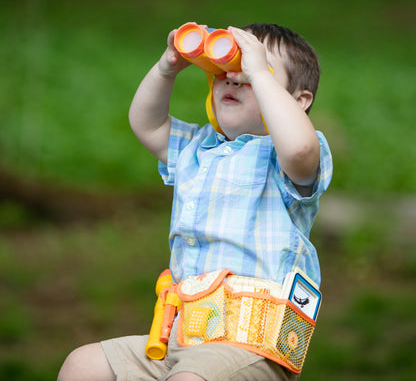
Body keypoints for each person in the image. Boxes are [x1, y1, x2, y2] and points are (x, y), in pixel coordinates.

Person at [58, 22, 332, 381]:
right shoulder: (196, 146)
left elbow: (299, 147)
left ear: (298, 101)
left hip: (253, 347)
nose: (234, 79)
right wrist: (167, 66)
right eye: (223, 71)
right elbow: (147, 124)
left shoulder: (286, 157)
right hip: (177, 341)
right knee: (84, 365)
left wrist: (256, 70)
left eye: (253, 73)